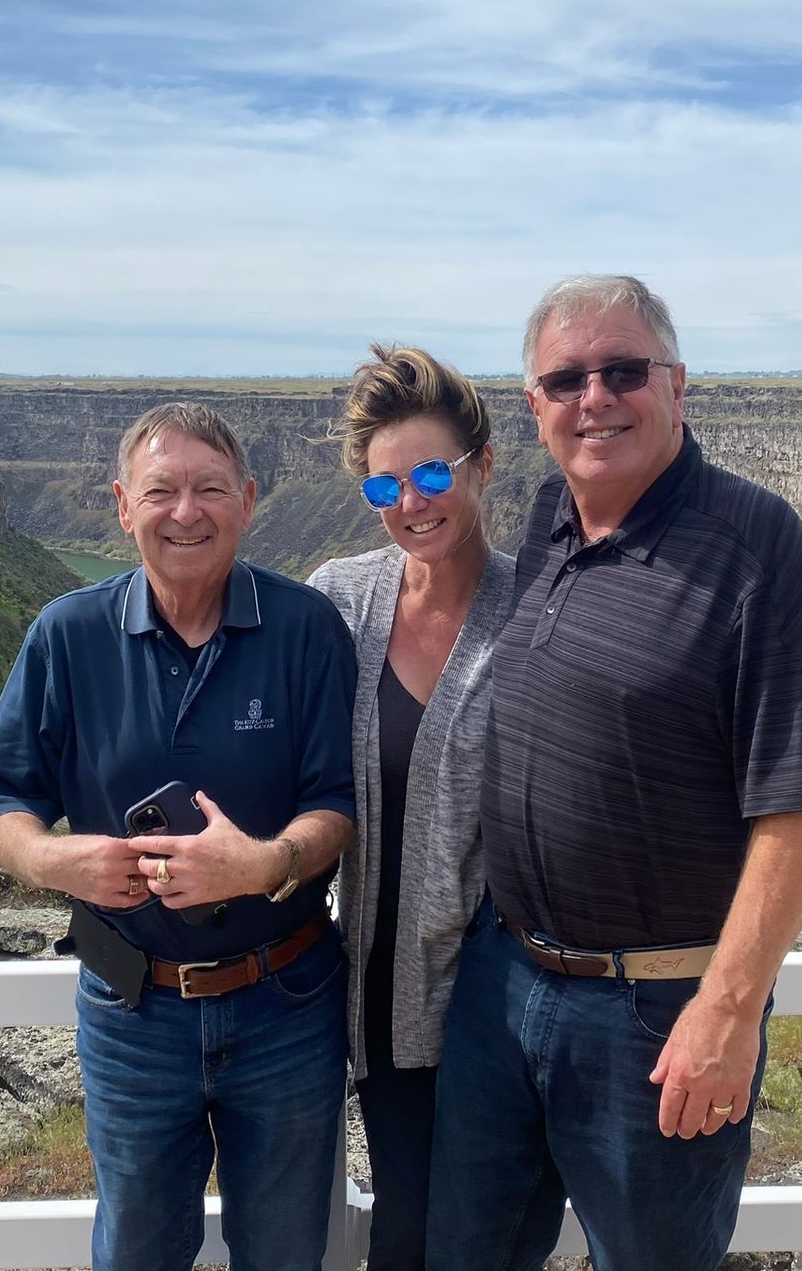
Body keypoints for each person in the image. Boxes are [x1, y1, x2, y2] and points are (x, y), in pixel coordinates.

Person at [427, 276, 802, 1271]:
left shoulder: (757, 546)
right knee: (467, 1253)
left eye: (624, 371)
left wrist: (729, 1009)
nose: (597, 397)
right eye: (567, 379)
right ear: (536, 407)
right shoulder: (552, 514)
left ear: (677, 384)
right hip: (504, 984)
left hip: (659, 1013)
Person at [0, 402, 357, 1271]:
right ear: (121, 504)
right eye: (162, 491)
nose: (187, 512)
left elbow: (338, 800)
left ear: (249, 501)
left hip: (287, 1005)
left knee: (289, 1252)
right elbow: (0, 797)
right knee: (138, 1251)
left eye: (210, 489)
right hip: (132, 1010)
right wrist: (49, 857)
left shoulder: (305, 630)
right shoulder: (67, 635)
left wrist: (265, 864)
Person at [307, 345, 518, 1271]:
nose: (411, 503)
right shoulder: (341, 599)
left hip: (495, 1008)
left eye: (431, 472)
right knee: (403, 1228)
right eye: (384, 486)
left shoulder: (536, 609)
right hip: (375, 1000)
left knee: (478, 1238)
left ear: (481, 463)